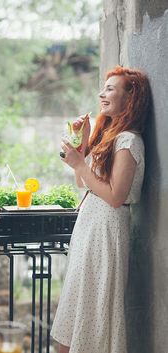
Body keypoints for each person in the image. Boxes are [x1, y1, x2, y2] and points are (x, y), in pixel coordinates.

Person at [51, 66, 151, 353]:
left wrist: (80, 163)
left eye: (110, 89)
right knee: (74, 312)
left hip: (107, 229)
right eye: (103, 88)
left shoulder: (129, 140)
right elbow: (84, 182)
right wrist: (81, 149)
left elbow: (116, 196)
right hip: (90, 228)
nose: (101, 94)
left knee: (93, 311)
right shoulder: (110, 135)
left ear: (130, 97)